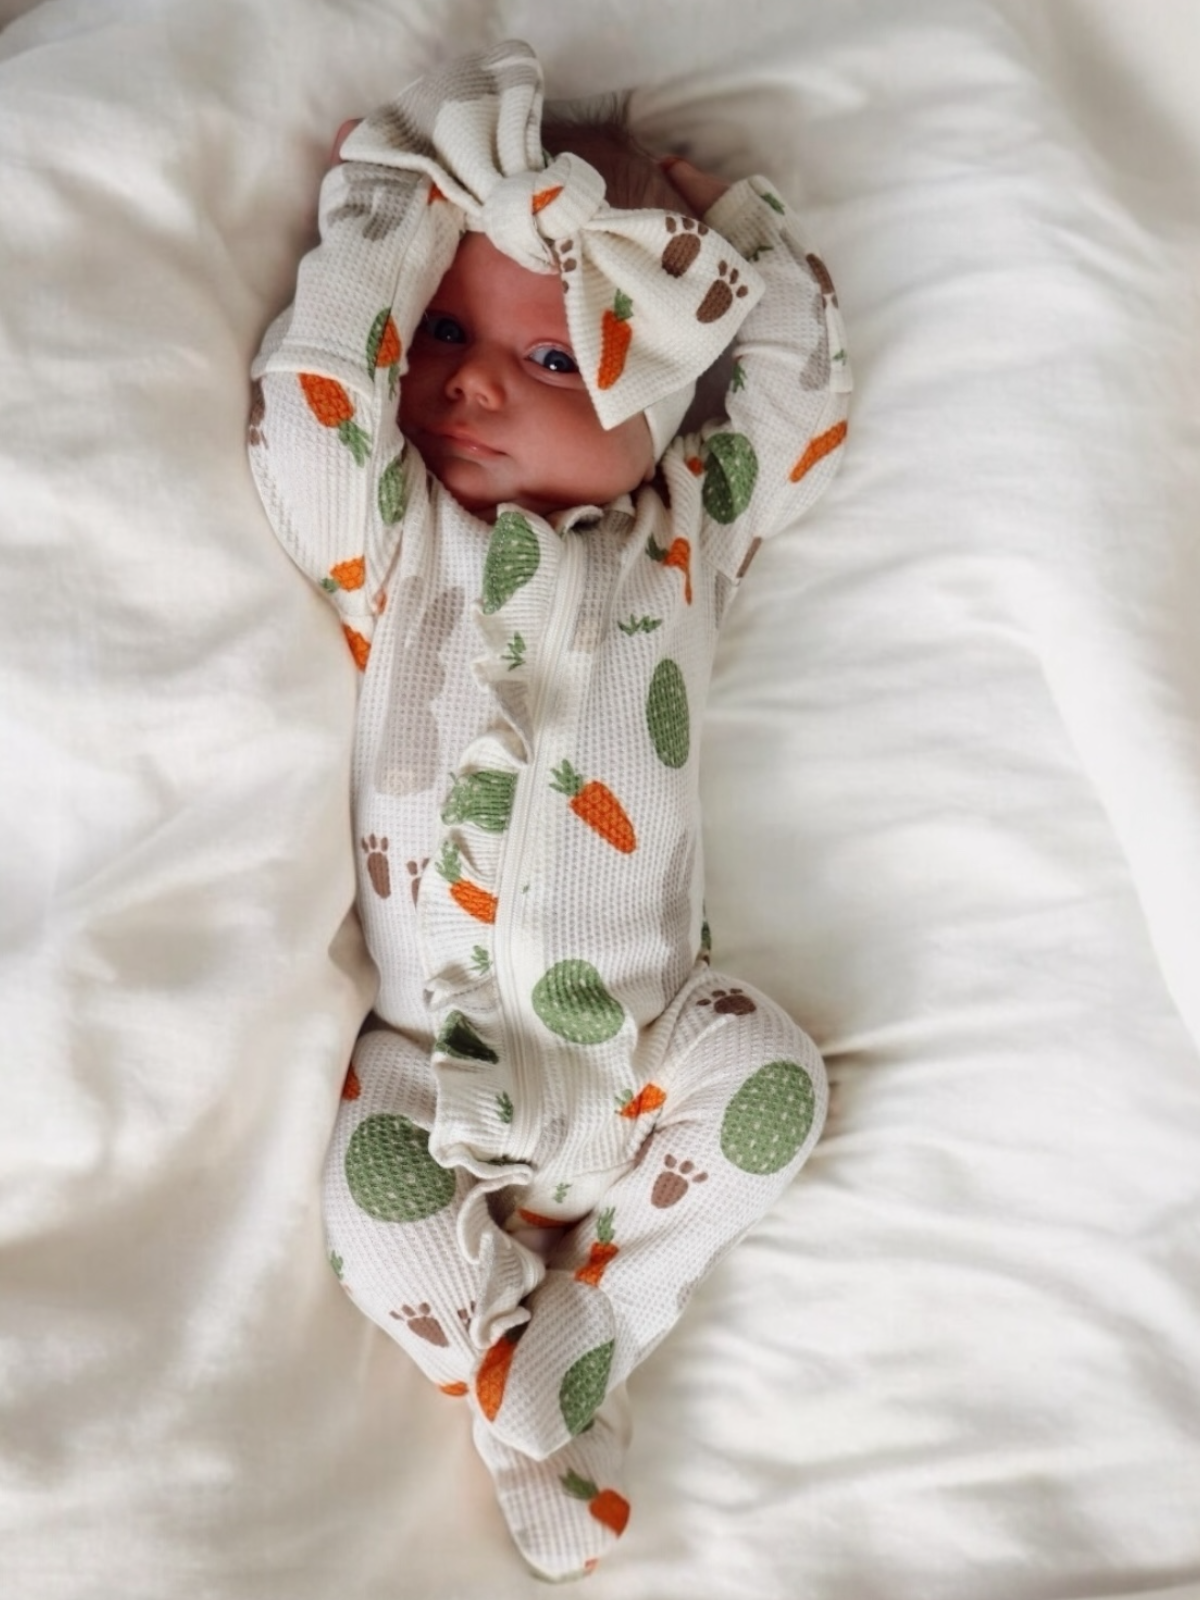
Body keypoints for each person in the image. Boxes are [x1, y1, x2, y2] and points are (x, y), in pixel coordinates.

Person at [248, 39, 850, 1581]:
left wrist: (757, 255)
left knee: (776, 1087)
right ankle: (520, 1380)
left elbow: (793, 408)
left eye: (557, 358)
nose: (467, 380)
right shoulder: (402, 547)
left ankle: (591, 1330)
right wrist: (389, 213)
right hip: (430, 1064)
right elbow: (314, 417)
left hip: (652, 1064)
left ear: (662, 409)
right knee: (375, 1209)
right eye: (446, 332)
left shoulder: (682, 543)